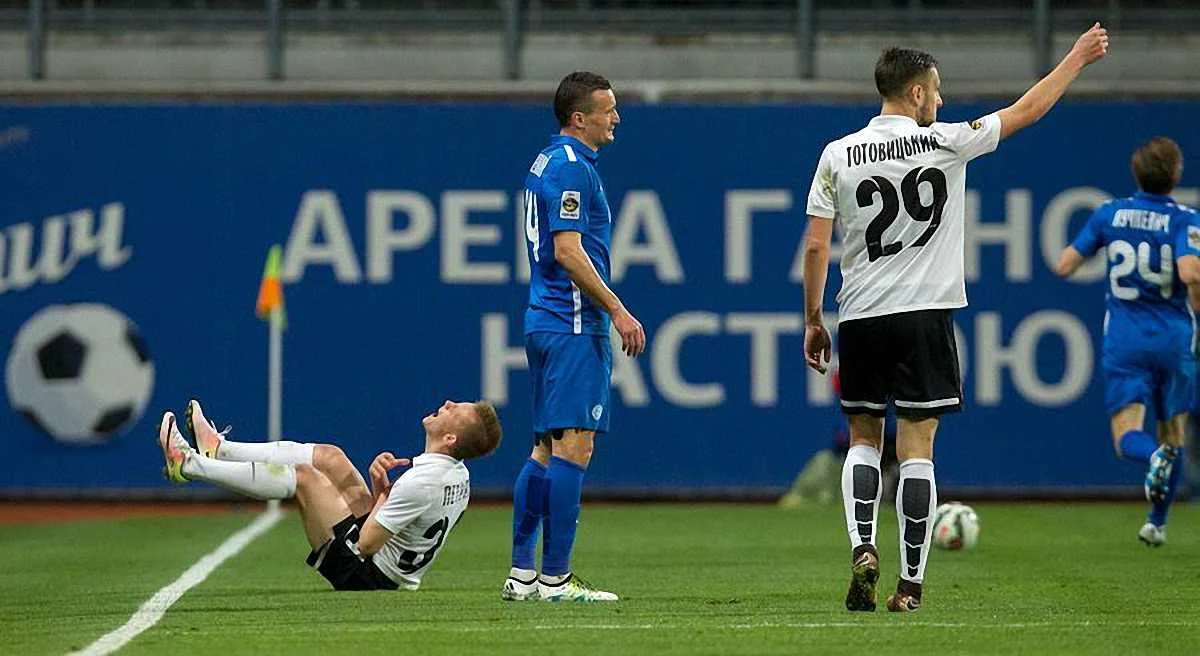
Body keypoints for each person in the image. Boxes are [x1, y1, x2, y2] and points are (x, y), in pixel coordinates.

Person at [802, 25, 1109, 613]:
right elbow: (1026, 111)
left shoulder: (836, 154)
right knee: (917, 447)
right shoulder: (947, 142)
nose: (941, 100)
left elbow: (817, 246)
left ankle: (863, 548)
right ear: (916, 92)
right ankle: (910, 586)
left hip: (861, 314)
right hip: (925, 315)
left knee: (864, 439)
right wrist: (1075, 58)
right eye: (936, 90)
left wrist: (814, 318)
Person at [503, 71, 647, 603]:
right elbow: (567, 250)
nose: (617, 118)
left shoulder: (546, 161)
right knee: (574, 446)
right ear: (579, 118)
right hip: (573, 322)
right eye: (608, 110)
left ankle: (522, 575)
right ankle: (555, 579)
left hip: (543, 319)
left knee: (545, 448)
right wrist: (618, 309)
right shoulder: (572, 169)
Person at [157, 399, 502, 591]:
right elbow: (407, 523)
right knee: (331, 457)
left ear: (451, 439)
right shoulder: (458, 474)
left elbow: (366, 543)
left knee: (305, 478)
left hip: (368, 576)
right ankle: (219, 449)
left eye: (455, 410)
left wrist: (384, 495)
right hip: (389, 561)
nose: (448, 403)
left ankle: (189, 465)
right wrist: (380, 487)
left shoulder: (421, 482)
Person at [1055, 137, 1199, 547]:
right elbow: (1190, 274)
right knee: (1174, 435)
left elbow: (1064, 265)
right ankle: (1157, 521)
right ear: (1176, 174)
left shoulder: (1109, 213)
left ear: (1136, 173)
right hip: (1174, 339)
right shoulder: (1185, 220)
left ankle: (1151, 458)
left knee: (1127, 436)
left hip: (1125, 339)